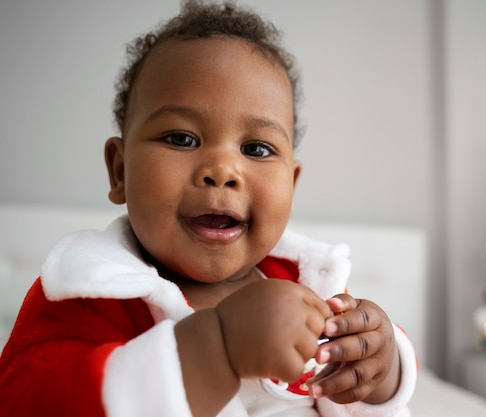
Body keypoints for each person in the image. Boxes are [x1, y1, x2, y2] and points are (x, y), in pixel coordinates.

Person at [0, 1, 417, 416]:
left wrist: (383, 364)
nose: (222, 170)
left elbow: (355, 393)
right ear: (120, 171)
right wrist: (215, 347)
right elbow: (28, 398)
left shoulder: (309, 284)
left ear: (291, 185)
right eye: (181, 139)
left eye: (256, 148)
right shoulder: (89, 290)